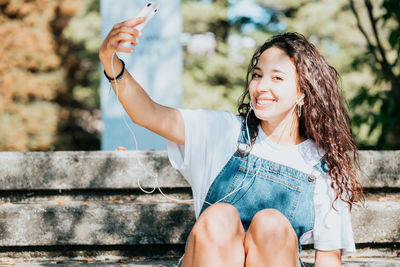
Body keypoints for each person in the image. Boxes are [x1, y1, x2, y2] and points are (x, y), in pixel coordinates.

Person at [99, 17, 364, 267]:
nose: (261, 87)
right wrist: (109, 59)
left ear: (302, 94)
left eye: (277, 78)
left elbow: (329, 258)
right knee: (220, 216)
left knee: (271, 223)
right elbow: (147, 113)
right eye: (258, 75)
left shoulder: (320, 166)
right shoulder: (223, 132)